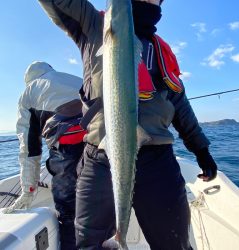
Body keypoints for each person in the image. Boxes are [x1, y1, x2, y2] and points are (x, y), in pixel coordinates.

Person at [37, 1, 218, 249]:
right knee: (91, 244)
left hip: (157, 160)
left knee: (173, 243)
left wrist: (201, 149)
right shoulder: (94, 25)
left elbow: (179, 103)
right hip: (100, 157)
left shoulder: (160, 50)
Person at [2, 61, 86, 250]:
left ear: (28, 80)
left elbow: (29, 150)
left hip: (67, 154)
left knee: (68, 214)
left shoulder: (27, 95)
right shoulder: (76, 79)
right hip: (101, 146)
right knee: (101, 204)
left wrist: (28, 190)